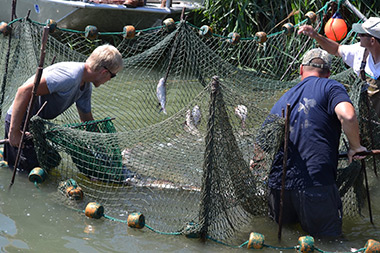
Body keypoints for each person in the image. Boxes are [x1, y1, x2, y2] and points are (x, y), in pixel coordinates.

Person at [267, 48, 367, 238]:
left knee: (284, 241)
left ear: (300, 70)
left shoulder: (283, 98)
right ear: (328, 73)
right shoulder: (331, 87)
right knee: (329, 244)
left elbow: (263, 143)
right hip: (315, 185)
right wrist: (355, 147)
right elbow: (348, 115)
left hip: (278, 188)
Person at [4, 44, 123, 172]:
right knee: (24, 172)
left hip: (34, 125)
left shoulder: (86, 86)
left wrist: (102, 151)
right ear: (104, 72)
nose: (110, 80)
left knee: (46, 166)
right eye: (113, 76)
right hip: (20, 120)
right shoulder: (69, 76)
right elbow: (24, 91)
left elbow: (87, 120)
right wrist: (15, 131)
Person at [298, 17, 380, 117]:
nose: (358, 35)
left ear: (372, 41)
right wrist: (316, 36)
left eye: (362, 34)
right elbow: (336, 49)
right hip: (367, 120)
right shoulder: (360, 51)